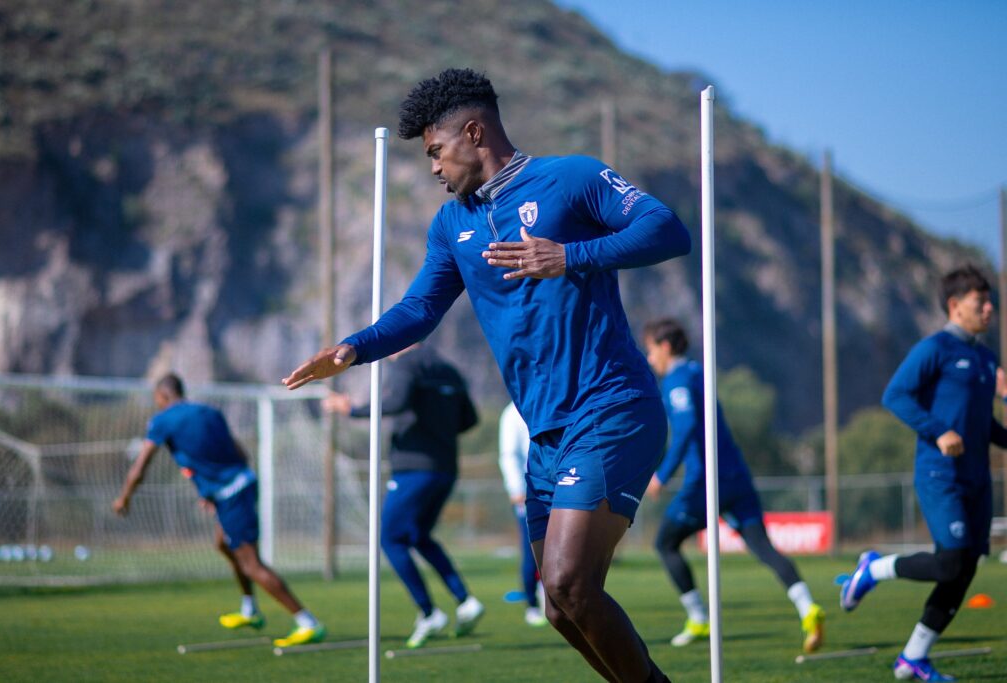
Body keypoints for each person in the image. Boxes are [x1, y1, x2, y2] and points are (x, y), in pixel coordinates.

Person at [284, 68, 690, 682]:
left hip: (612, 407)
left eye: (435, 152)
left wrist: (569, 254)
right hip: (544, 434)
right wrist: (353, 348)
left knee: (567, 581)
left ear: (473, 132)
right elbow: (420, 309)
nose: (432, 169)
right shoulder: (452, 226)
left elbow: (667, 228)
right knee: (558, 608)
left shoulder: (572, 178)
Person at [841, 265, 1006, 682]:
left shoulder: (987, 359)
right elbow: (895, 395)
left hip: (977, 480)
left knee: (966, 568)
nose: (990, 308)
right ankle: (873, 569)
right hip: (940, 475)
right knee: (950, 563)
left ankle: (913, 658)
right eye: (979, 302)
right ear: (954, 306)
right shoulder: (934, 348)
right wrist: (939, 430)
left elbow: (984, 425)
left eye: (990, 301)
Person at [641, 318, 825, 654]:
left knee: (665, 542)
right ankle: (807, 608)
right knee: (762, 547)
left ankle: (698, 618)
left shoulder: (678, 380)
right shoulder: (698, 373)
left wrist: (663, 474)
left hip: (706, 483)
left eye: (651, 350)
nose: (650, 359)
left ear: (665, 348)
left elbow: (685, 429)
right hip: (737, 477)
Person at [113, 373, 325, 648]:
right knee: (223, 543)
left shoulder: (162, 420)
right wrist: (212, 488)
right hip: (240, 485)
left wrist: (124, 499)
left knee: (251, 563)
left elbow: (139, 468)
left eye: (156, 400)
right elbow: (238, 452)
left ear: (162, 396)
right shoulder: (210, 412)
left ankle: (308, 622)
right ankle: (249, 609)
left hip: (231, 494)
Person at [323, 343, 485, 648]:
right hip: (446, 468)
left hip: (413, 469)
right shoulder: (448, 368)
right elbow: (470, 419)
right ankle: (465, 601)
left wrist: (351, 409)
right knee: (420, 536)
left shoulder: (406, 364)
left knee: (391, 539)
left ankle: (428, 611)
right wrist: (439, 430)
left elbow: (395, 402)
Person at [498, 401, 546, 627]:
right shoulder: (512, 413)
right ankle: (532, 605)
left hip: (553, 489)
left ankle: (550, 595)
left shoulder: (544, 401)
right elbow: (509, 454)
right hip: (528, 492)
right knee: (532, 550)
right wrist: (516, 487)